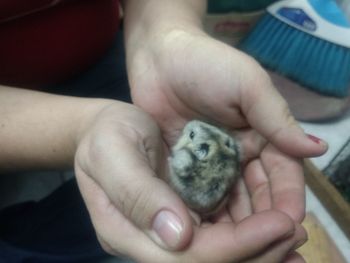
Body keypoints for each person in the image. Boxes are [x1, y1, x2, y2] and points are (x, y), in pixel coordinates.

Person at [0, 0, 328, 262]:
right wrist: (80, 128)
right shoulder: (192, 158)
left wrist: (167, 33)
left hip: (112, 50)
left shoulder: (198, 152)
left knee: (126, 199)